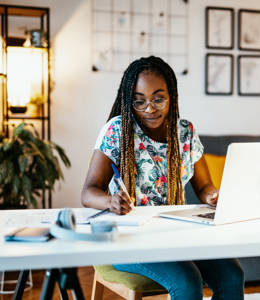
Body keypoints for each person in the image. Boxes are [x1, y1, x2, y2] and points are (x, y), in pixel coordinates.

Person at [81, 56, 244, 300]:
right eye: (139, 101)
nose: (150, 108)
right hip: (129, 238)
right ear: (130, 101)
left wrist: (213, 195)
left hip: (176, 233)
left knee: (232, 275)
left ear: (172, 96)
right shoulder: (117, 130)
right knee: (188, 282)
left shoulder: (185, 132)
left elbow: (204, 186)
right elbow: (88, 192)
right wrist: (110, 201)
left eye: (159, 98)